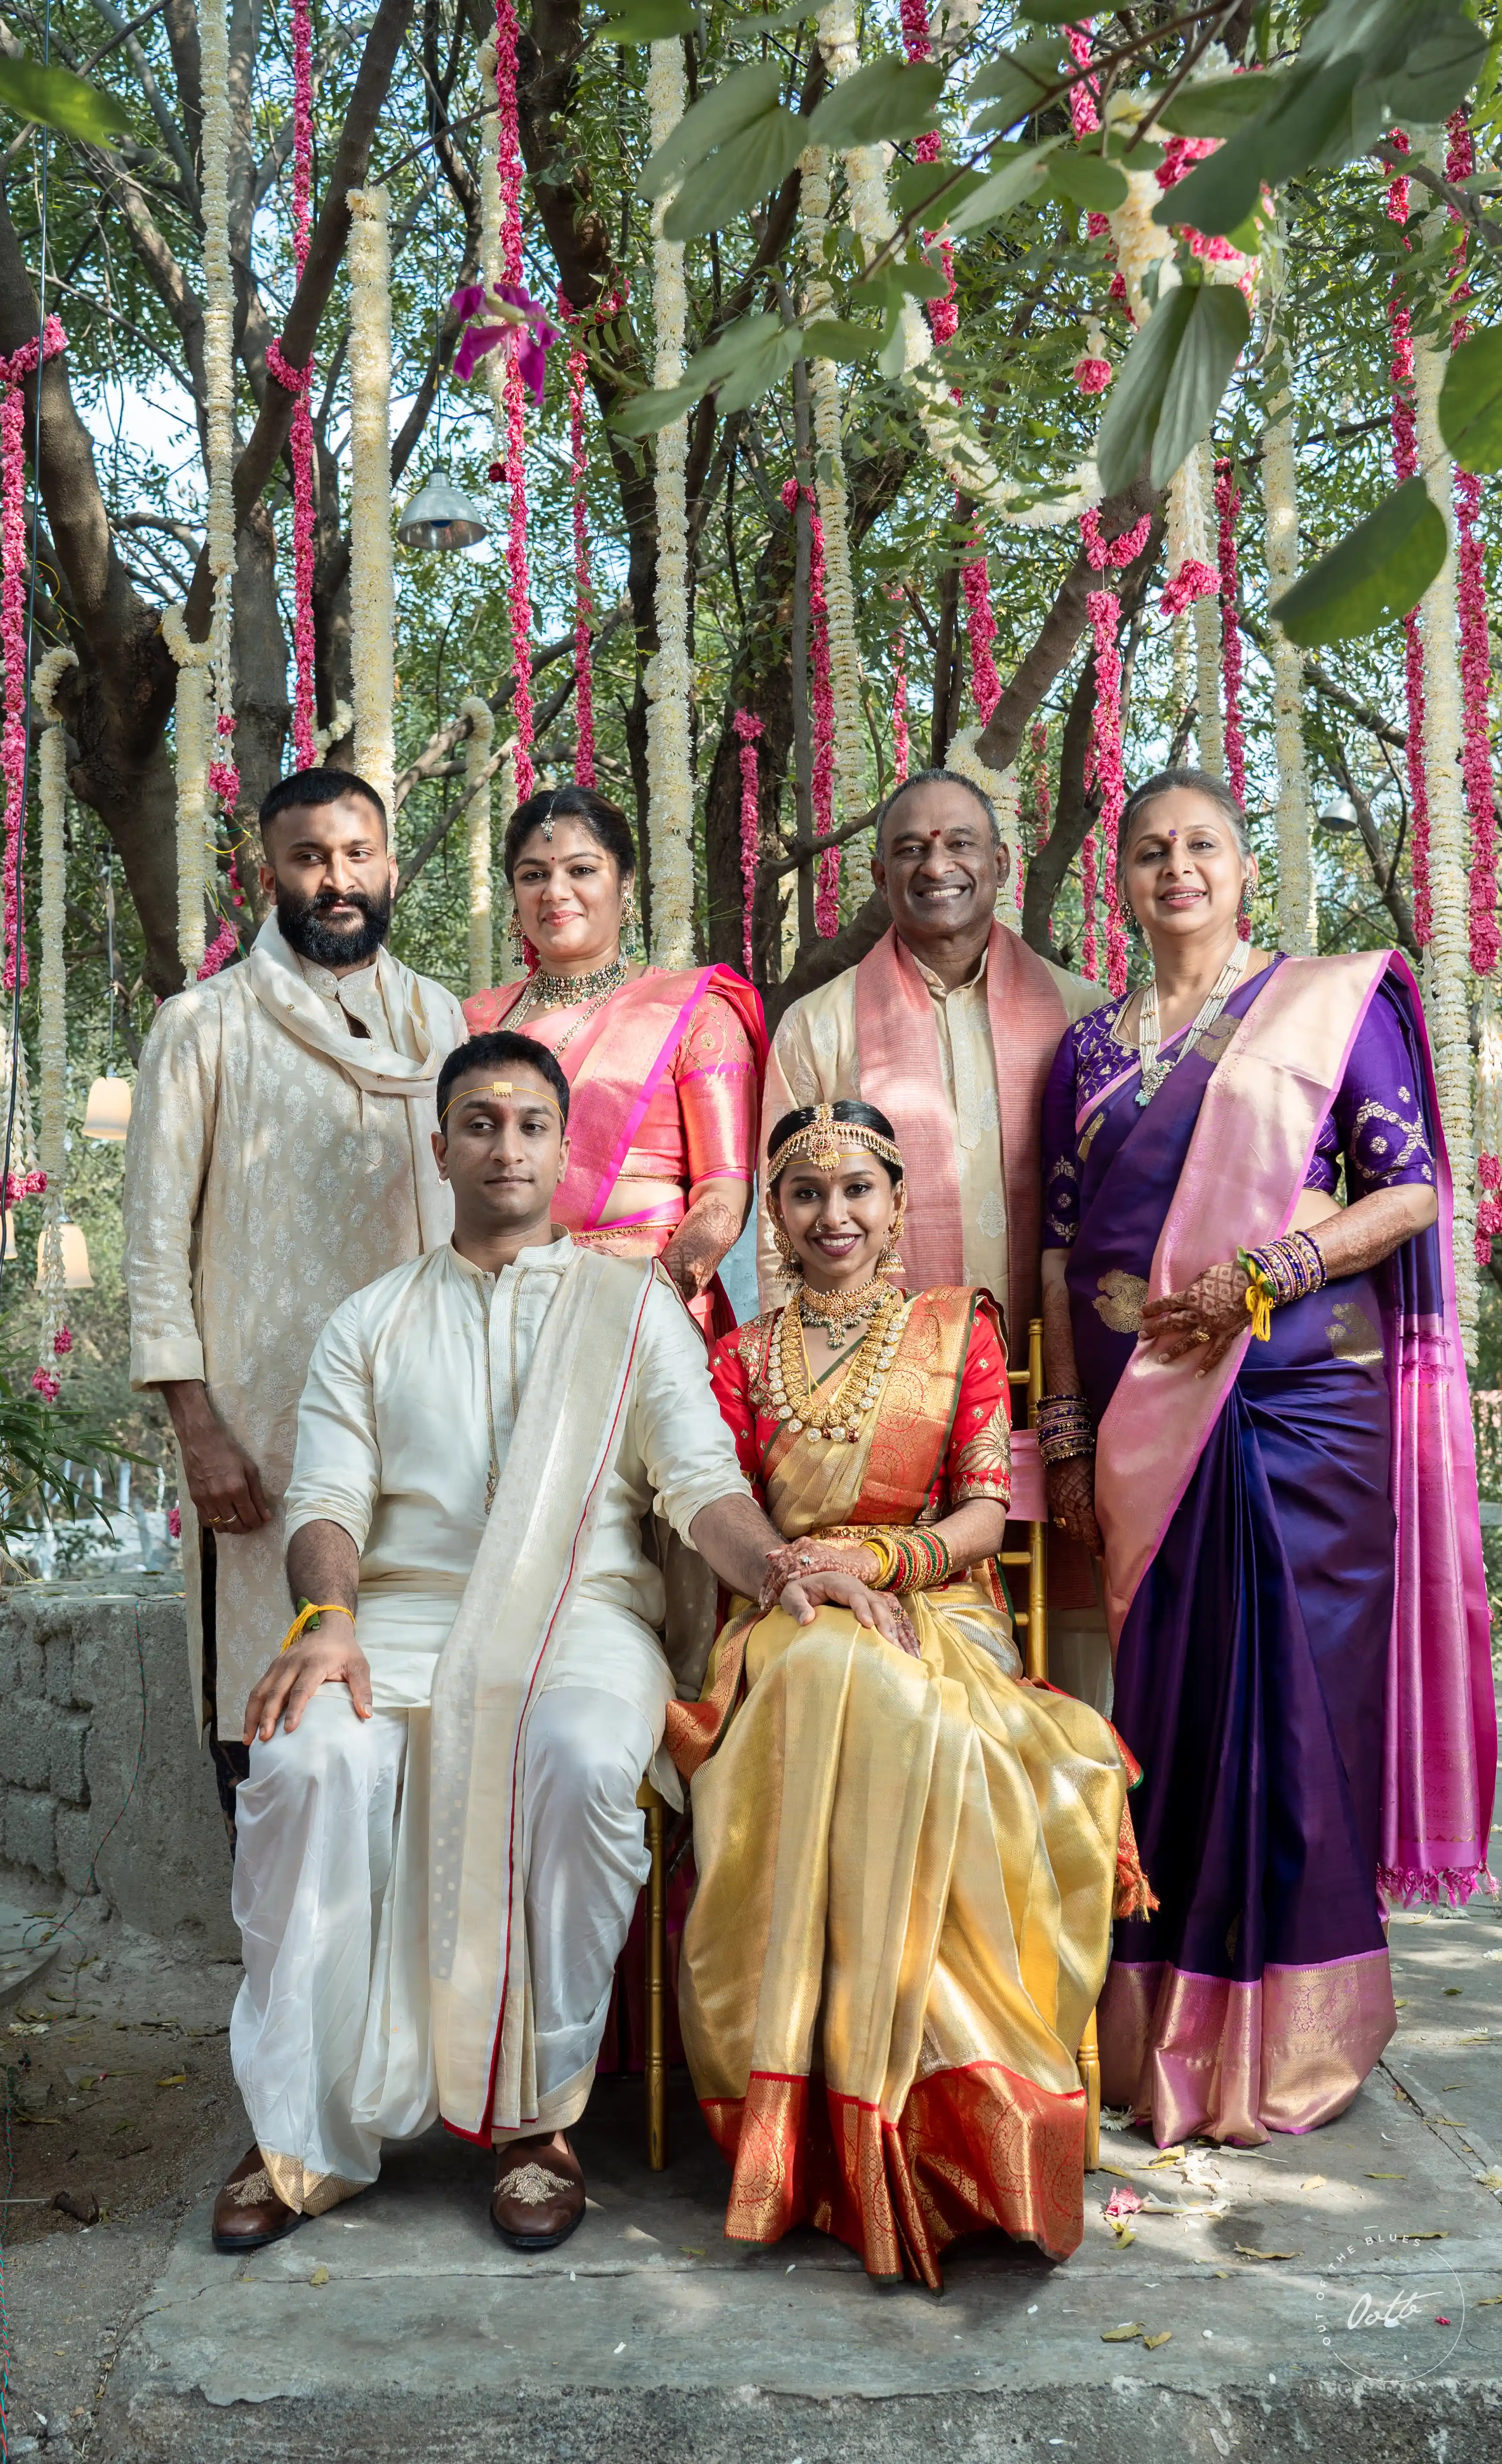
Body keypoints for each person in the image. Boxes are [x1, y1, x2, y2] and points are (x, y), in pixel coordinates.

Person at [212, 1034, 902, 2258]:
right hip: (404, 1621)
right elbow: (326, 1503)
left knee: (585, 1758)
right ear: (441, 1150)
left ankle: (538, 2121)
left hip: (582, 1616)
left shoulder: (626, 1309)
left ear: (564, 1149)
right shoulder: (369, 1323)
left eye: (532, 1124)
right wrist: (326, 1621)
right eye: (480, 1123)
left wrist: (785, 1565)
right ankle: (299, 2134)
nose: (507, 1145)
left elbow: (699, 1485)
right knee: (309, 1765)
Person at [1039, 767, 1496, 2149]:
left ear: (1242, 873)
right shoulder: (1085, 1050)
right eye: (1148, 851)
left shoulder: (1321, 1006)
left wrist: (1273, 1266)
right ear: (1117, 881)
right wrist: (1062, 1422)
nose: (1174, 869)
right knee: (1166, 1716)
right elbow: (1061, 1247)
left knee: (1297, 1705)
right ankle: (1159, 2030)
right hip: (1140, 1415)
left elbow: (1408, 1186)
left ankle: (1294, 2036)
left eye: (1201, 848)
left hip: (1300, 1397)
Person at [673, 1099, 1148, 2288]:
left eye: (857, 1191)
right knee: (848, 1675)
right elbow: (724, 1523)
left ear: (896, 1209)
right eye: (804, 1194)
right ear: (774, 1218)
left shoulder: (956, 1330)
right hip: (784, 1617)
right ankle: (842, 2120)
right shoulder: (734, 1359)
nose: (833, 1216)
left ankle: (961, 2112)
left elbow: (988, 1513)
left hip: (939, 1603)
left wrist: (878, 1562)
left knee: (922, 1706)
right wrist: (813, 1578)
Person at [124, 767, 467, 1793]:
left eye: (357, 854)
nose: (336, 879)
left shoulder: (438, 1019)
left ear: (392, 867)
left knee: (418, 1705)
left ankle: (397, 1958)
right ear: (266, 873)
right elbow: (150, 1247)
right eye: (309, 858)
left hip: (429, 1423)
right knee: (267, 1709)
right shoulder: (202, 1027)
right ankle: (276, 1954)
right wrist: (198, 1428)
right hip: (263, 1441)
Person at [760, 768, 1110, 1706]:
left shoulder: (1084, 1018)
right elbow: (778, 1237)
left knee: (1076, 1635)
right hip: (885, 1413)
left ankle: (1076, 1838)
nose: (936, 864)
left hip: (1065, 1385)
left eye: (959, 843)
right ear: (879, 875)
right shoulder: (819, 1025)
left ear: (999, 861)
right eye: (909, 848)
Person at [464, 783, 764, 1341]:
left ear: (624, 883)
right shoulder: (475, 1021)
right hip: (496, 1313)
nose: (555, 892)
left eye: (581, 870)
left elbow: (724, 1195)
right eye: (533, 875)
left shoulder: (698, 1013)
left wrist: (654, 1299)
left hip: (647, 1314)